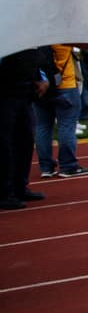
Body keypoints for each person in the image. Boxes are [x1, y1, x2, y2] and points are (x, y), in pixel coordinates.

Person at [0, 49, 48, 209]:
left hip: (24, 91)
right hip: (5, 93)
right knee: (5, 145)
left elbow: (35, 56)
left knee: (25, 142)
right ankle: (4, 192)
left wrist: (42, 78)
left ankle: (19, 186)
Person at [33, 44, 88, 178]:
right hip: (65, 85)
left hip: (41, 87)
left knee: (42, 127)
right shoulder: (62, 38)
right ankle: (68, 165)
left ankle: (46, 167)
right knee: (66, 125)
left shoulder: (36, 38)